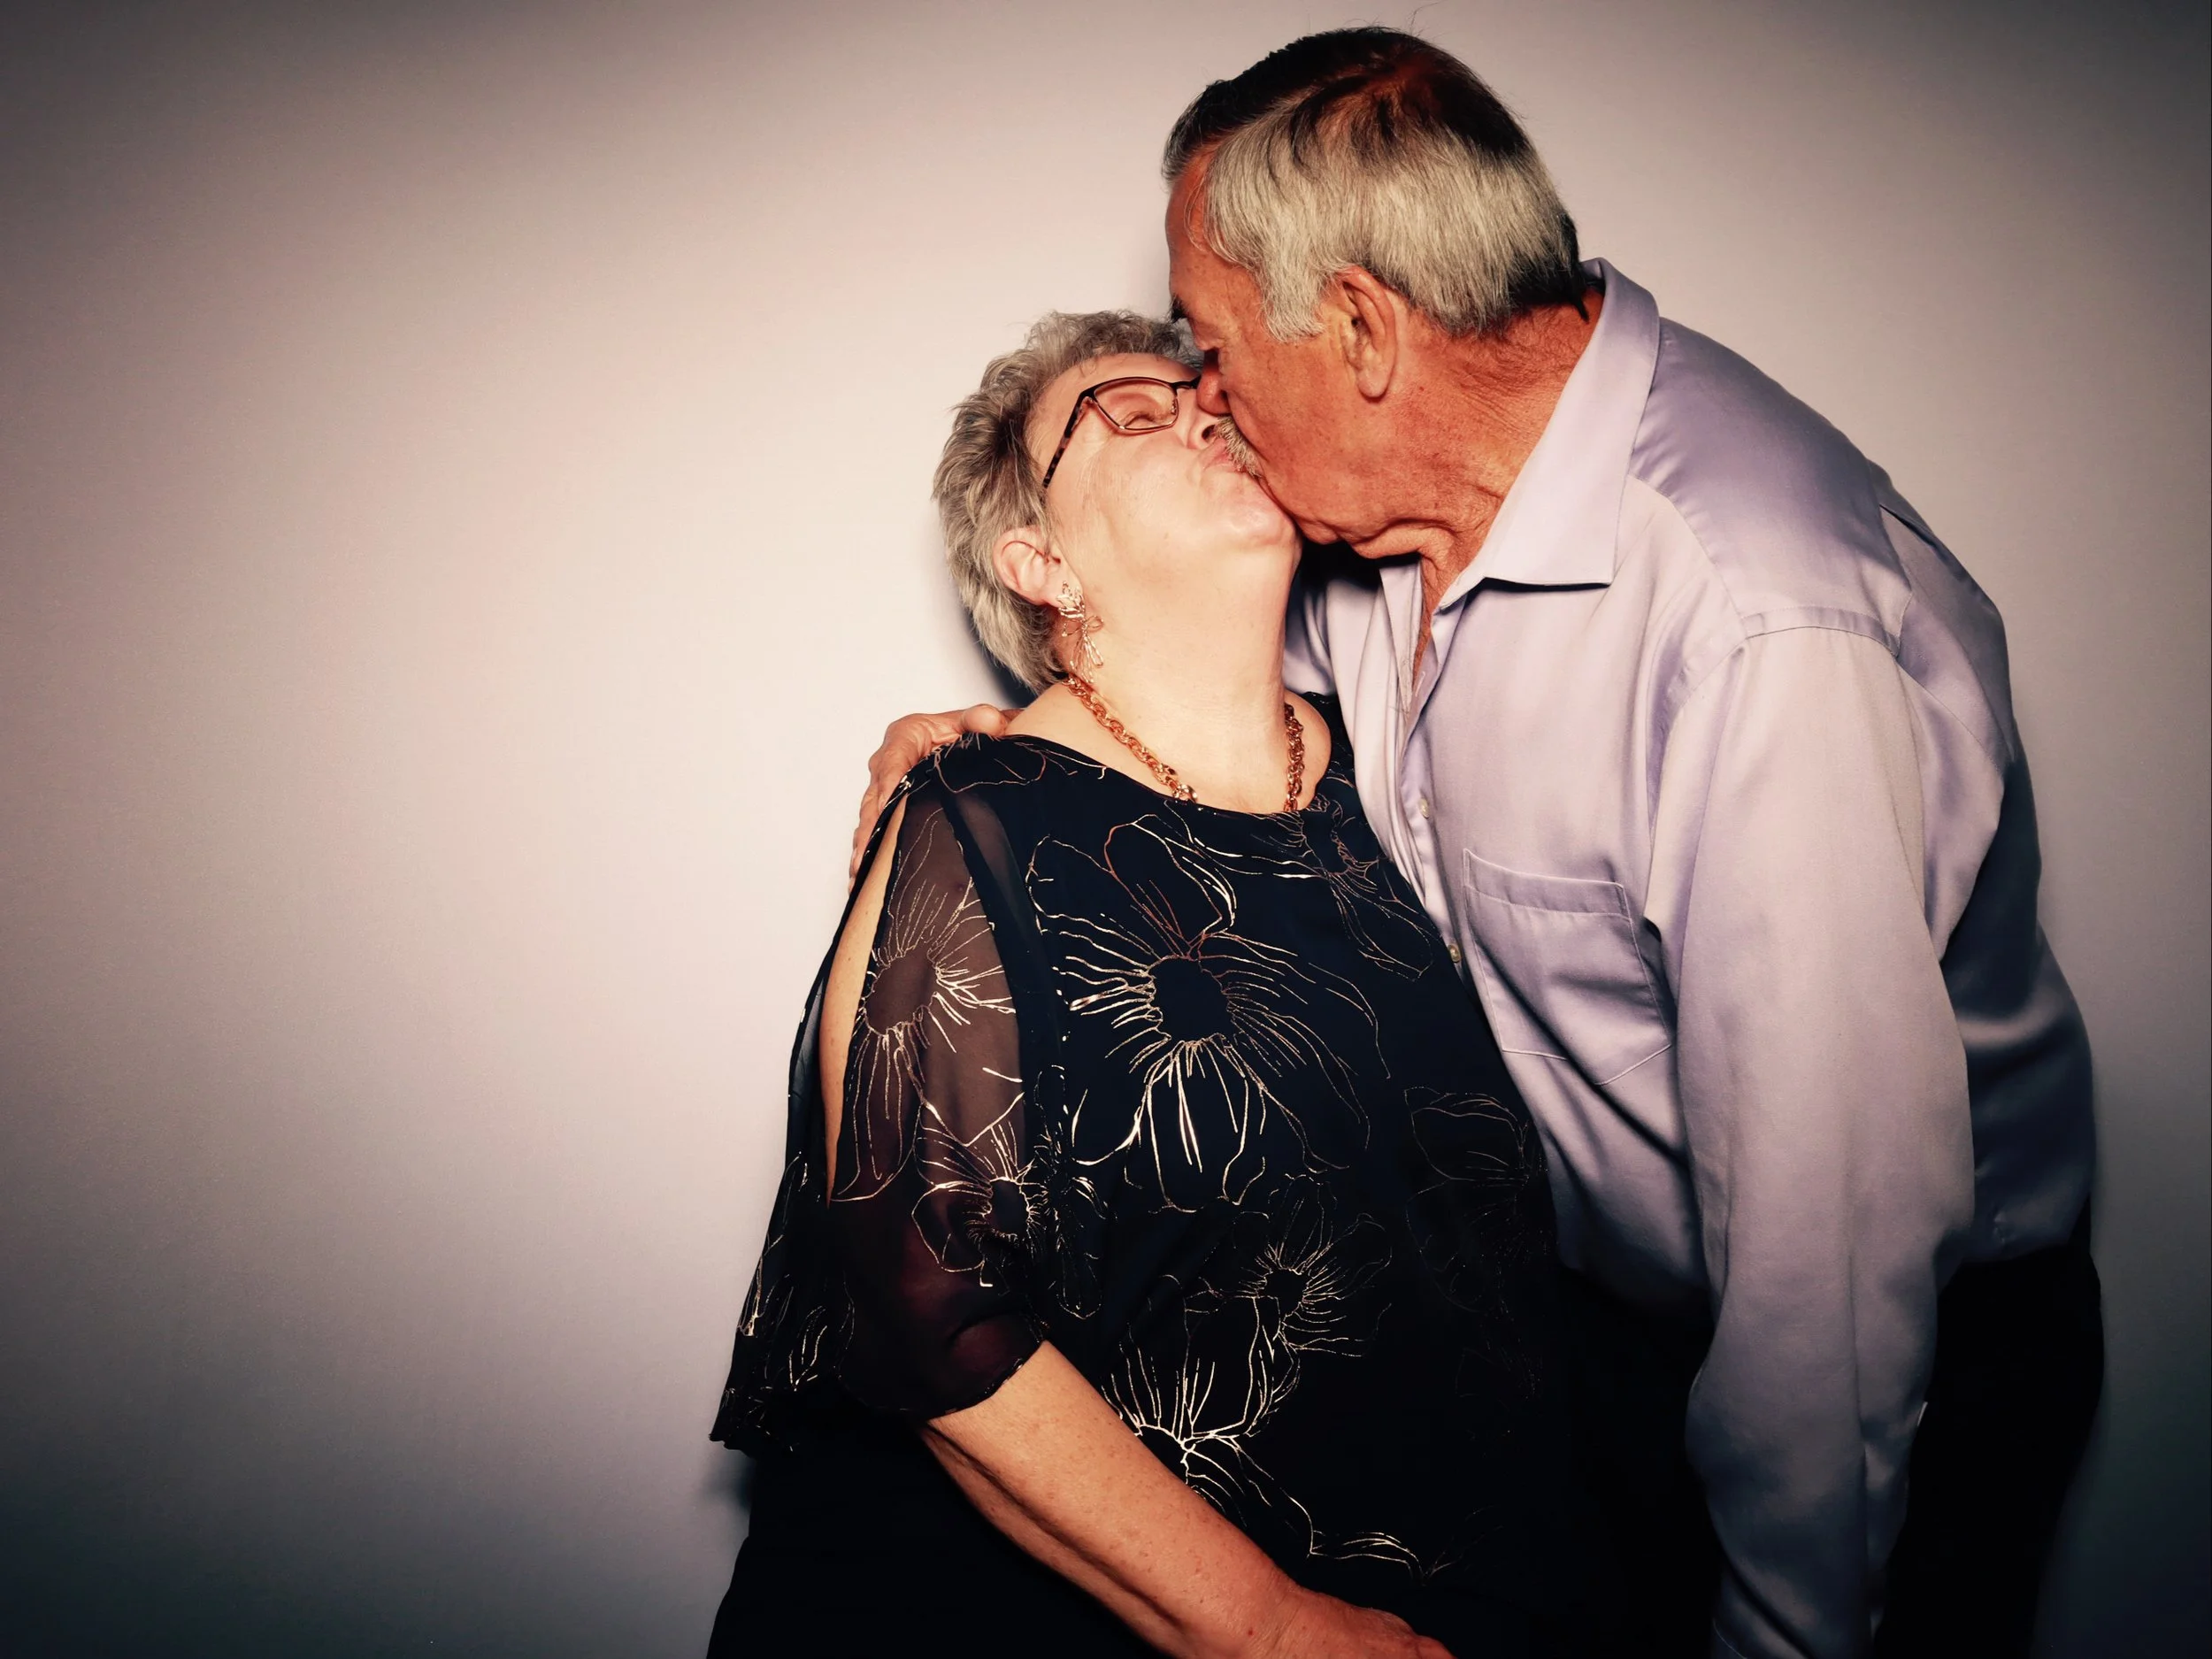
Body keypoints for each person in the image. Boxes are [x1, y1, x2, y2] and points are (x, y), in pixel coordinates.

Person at [855, 29, 2102, 1659]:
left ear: (1361, 329)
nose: (1210, 402)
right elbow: (1186, 700)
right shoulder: (1384, 540)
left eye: (1214, 351)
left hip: (1885, 1369)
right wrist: (972, 758)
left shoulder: (1753, 622)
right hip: (1602, 1350)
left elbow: (1835, 1263)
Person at [708, 310, 1599, 1658]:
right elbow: (927, 1309)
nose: (1202, 411)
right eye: (1131, 410)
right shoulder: (976, 819)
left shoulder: (1401, 773)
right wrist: (1278, 1632)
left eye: (1208, 393)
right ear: (1040, 560)